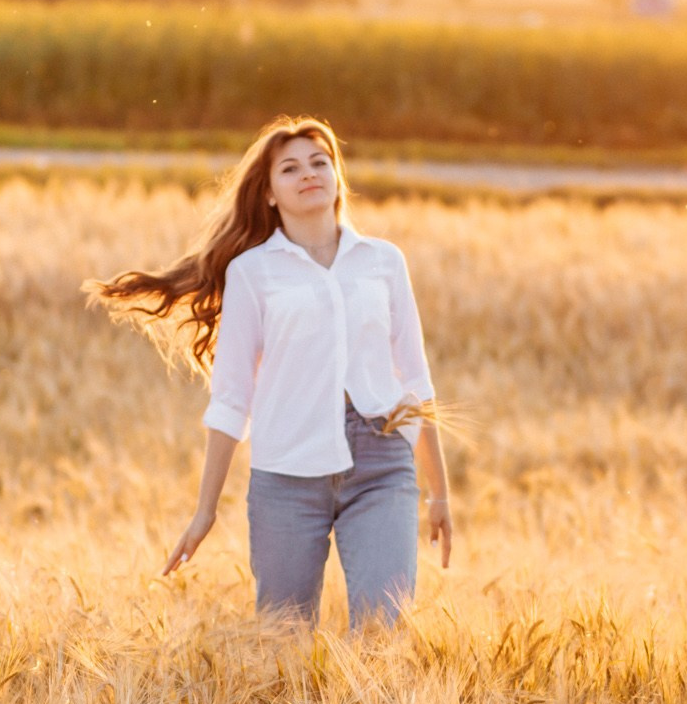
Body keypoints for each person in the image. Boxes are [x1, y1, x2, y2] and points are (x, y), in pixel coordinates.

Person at [89, 115, 452, 627]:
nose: (309, 173)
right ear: (269, 195)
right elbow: (232, 399)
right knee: (283, 640)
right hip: (286, 474)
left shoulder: (383, 261)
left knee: (383, 631)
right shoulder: (252, 273)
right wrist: (204, 511)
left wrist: (439, 492)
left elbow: (416, 380)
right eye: (290, 168)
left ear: (337, 178)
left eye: (320, 162)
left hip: (382, 462)